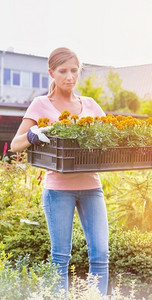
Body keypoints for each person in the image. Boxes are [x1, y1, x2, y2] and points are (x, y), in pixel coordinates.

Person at [10, 47, 109, 295]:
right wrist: (33, 135)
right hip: (58, 191)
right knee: (60, 258)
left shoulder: (90, 105)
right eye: (63, 71)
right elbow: (15, 144)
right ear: (51, 73)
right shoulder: (41, 104)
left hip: (91, 187)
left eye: (74, 70)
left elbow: (111, 137)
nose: (69, 76)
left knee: (101, 255)